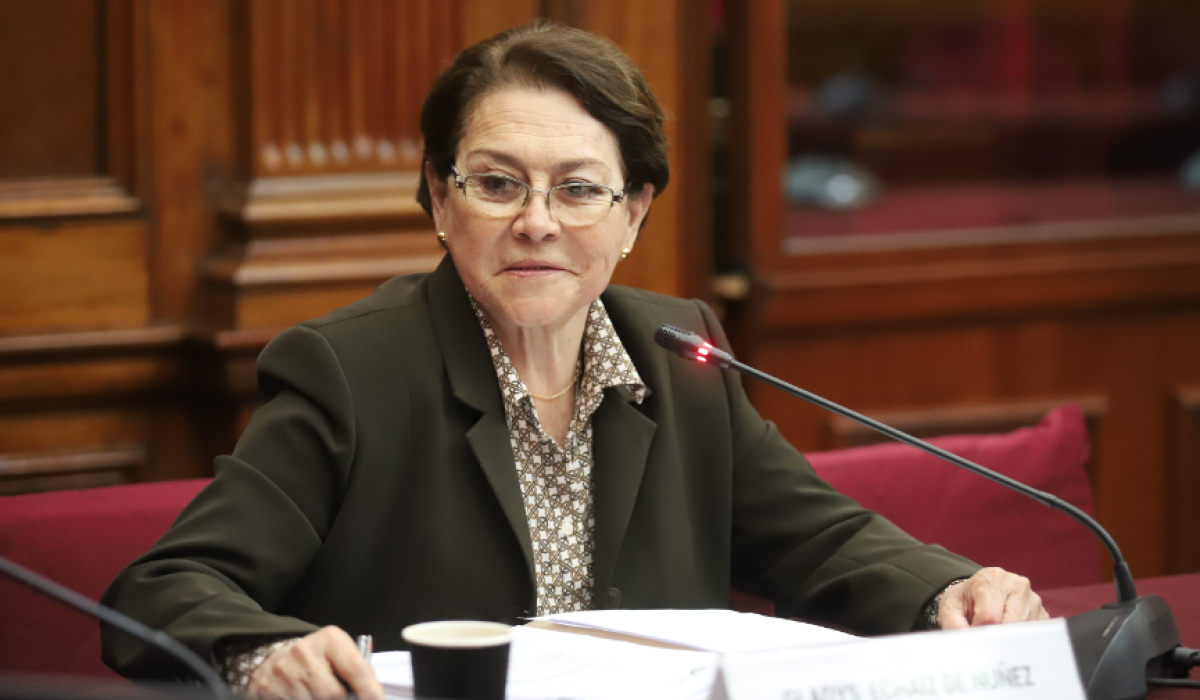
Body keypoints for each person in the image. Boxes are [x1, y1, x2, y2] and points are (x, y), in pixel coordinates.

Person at [101, 21, 1046, 700]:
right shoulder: (349, 371)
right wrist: (266, 655)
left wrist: (946, 591)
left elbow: (819, 542)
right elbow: (163, 589)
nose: (537, 222)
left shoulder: (675, 354)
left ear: (634, 214)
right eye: (497, 183)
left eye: (580, 189)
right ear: (439, 197)